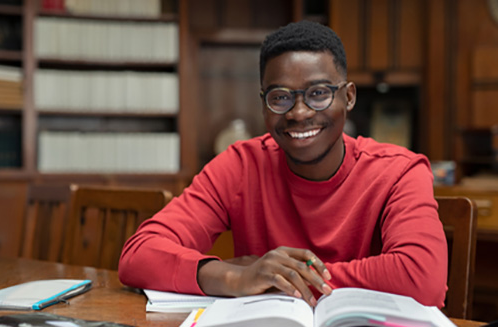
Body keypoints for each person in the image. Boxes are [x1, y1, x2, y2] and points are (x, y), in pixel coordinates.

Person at [118, 20, 447, 308]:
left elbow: (422, 278)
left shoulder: (400, 171)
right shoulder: (240, 165)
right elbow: (139, 255)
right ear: (263, 104)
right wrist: (237, 277)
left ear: (348, 97)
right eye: (280, 97)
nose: (299, 112)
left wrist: (282, 278)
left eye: (318, 93)